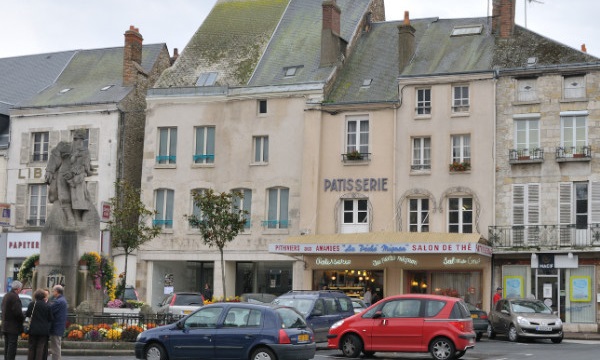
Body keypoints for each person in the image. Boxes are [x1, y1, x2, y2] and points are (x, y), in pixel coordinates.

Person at [26, 289, 54, 360]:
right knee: (40, 347)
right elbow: (50, 318)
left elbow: (27, 314)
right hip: (43, 330)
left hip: (33, 329)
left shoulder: (32, 304)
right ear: (43, 296)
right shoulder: (47, 306)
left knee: (31, 347)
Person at [2, 280, 25, 360]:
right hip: (13, 327)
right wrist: (23, 318)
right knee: (12, 348)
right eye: (21, 289)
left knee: (7, 346)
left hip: (5, 326)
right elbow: (18, 313)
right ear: (18, 289)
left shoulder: (6, 296)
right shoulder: (15, 297)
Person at [49, 285, 67, 360]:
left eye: (53, 291)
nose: (52, 292)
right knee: (56, 346)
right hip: (59, 327)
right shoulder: (62, 300)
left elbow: (50, 311)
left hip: (56, 327)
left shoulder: (58, 302)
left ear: (57, 291)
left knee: (55, 348)